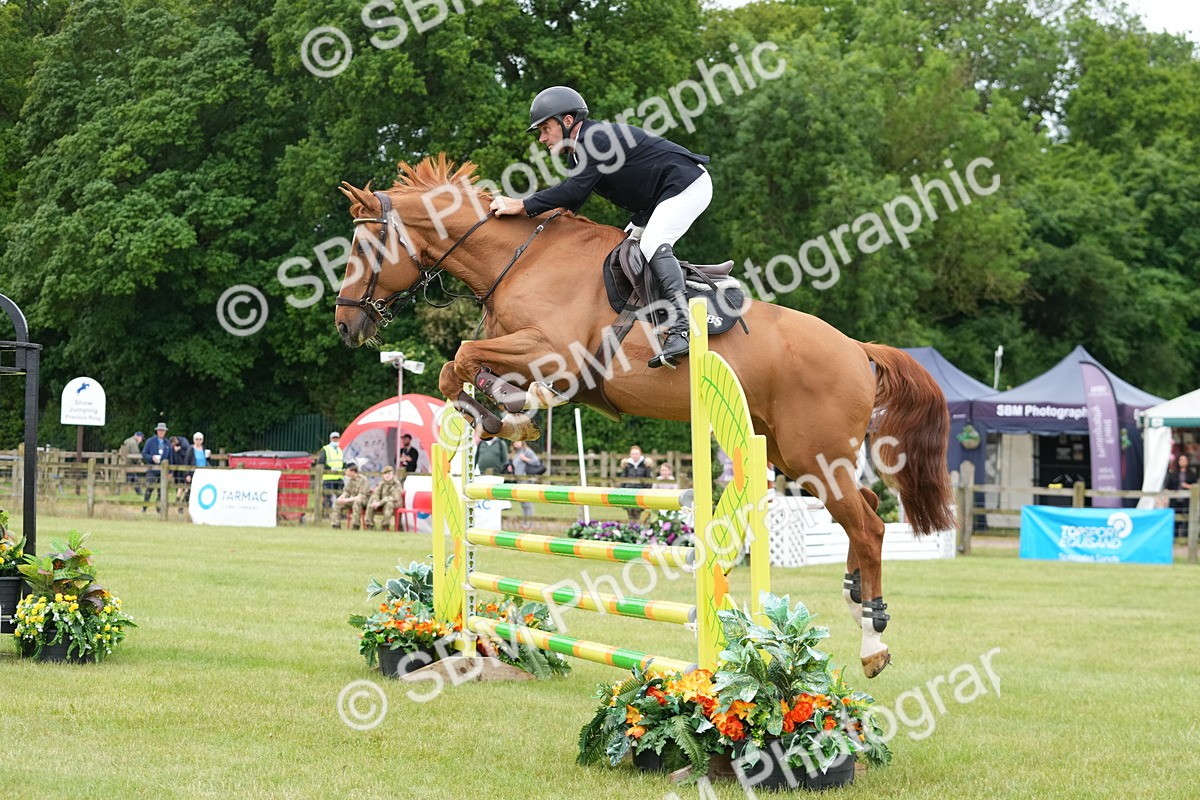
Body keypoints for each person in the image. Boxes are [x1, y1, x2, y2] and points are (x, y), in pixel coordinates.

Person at [489, 86, 712, 369]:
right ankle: (652, 315)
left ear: (567, 121)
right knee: (623, 251)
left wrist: (521, 205)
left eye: (545, 128)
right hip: (656, 201)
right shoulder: (577, 155)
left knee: (652, 244)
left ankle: (683, 329)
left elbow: (572, 192)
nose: (542, 138)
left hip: (686, 184)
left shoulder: (597, 139)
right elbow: (571, 206)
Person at [510, 441, 543, 530]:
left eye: (518, 441)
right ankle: (525, 523)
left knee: (527, 503)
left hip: (526, 480)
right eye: (514, 442)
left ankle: (530, 524)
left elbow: (536, 462)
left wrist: (525, 459)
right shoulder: (516, 453)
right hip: (519, 481)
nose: (516, 443)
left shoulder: (527, 451)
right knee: (523, 503)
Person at [618, 445, 655, 521]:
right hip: (628, 491)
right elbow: (623, 478)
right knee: (629, 511)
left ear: (640, 454)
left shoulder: (645, 465)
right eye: (633, 453)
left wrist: (647, 490)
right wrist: (621, 489)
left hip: (640, 491)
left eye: (636, 453)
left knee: (638, 510)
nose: (635, 455)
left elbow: (648, 479)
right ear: (630, 455)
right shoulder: (627, 465)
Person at [141, 422, 171, 512]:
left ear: (165, 432)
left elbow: (171, 457)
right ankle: (145, 507)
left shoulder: (168, 443)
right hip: (152, 469)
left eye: (163, 431)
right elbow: (144, 453)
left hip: (163, 471)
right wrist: (151, 458)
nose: (161, 432)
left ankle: (159, 508)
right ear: (157, 431)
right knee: (149, 488)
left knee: (161, 490)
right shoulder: (150, 441)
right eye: (160, 430)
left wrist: (170, 472)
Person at [332, 463, 369, 529]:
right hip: (352, 499)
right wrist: (341, 498)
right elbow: (346, 492)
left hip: (363, 500)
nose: (346, 472)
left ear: (352, 471)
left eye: (347, 470)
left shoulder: (363, 480)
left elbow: (361, 495)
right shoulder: (350, 480)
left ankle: (355, 525)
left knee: (357, 502)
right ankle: (336, 524)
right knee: (337, 502)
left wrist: (347, 500)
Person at [367, 466, 404, 530]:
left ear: (393, 475)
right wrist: (376, 501)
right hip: (382, 502)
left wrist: (379, 503)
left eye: (389, 474)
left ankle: (385, 526)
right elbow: (375, 493)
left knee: (389, 503)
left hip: (394, 503)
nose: (387, 476)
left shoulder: (396, 484)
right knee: (371, 500)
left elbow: (394, 497)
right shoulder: (381, 483)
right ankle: (369, 525)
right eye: (385, 474)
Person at [316, 431, 344, 510]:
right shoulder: (325, 449)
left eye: (337, 438)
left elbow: (341, 462)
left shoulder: (340, 450)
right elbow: (320, 463)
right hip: (328, 477)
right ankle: (326, 513)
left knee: (341, 496)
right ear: (330, 439)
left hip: (339, 477)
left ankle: (340, 513)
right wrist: (330, 468)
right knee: (327, 497)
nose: (335, 440)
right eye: (334, 438)